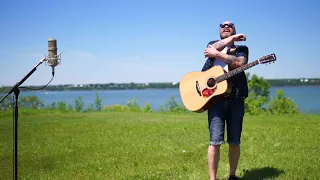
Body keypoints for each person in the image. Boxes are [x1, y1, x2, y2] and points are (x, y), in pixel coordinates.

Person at [202, 21, 249, 180]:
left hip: (236, 98)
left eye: (230, 25)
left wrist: (217, 55)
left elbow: (239, 63)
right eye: (223, 25)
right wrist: (232, 38)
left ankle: (232, 175)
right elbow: (212, 49)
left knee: (235, 140)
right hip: (214, 99)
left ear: (234, 30)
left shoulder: (241, 49)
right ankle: (212, 178)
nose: (226, 26)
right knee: (215, 141)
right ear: (220, 30)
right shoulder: (212, 44)